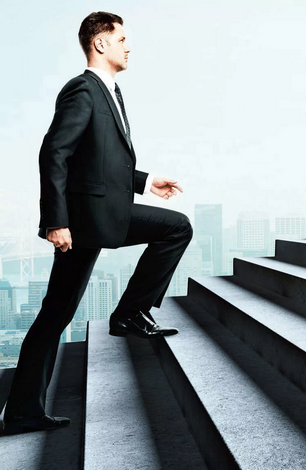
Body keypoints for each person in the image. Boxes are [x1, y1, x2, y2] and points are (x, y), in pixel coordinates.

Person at [1, 11, 193, 436]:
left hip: (104, 212)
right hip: (83, 222)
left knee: (174, 228)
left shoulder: (113, 91)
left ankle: (127, 314)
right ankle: (24, 409)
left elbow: (100, 162)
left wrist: (145, 181)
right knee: (57, 312)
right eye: (121, 38)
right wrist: (56, 221)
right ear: (100, 43)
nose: (129, 46)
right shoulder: (82, 90)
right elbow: (54, 154)